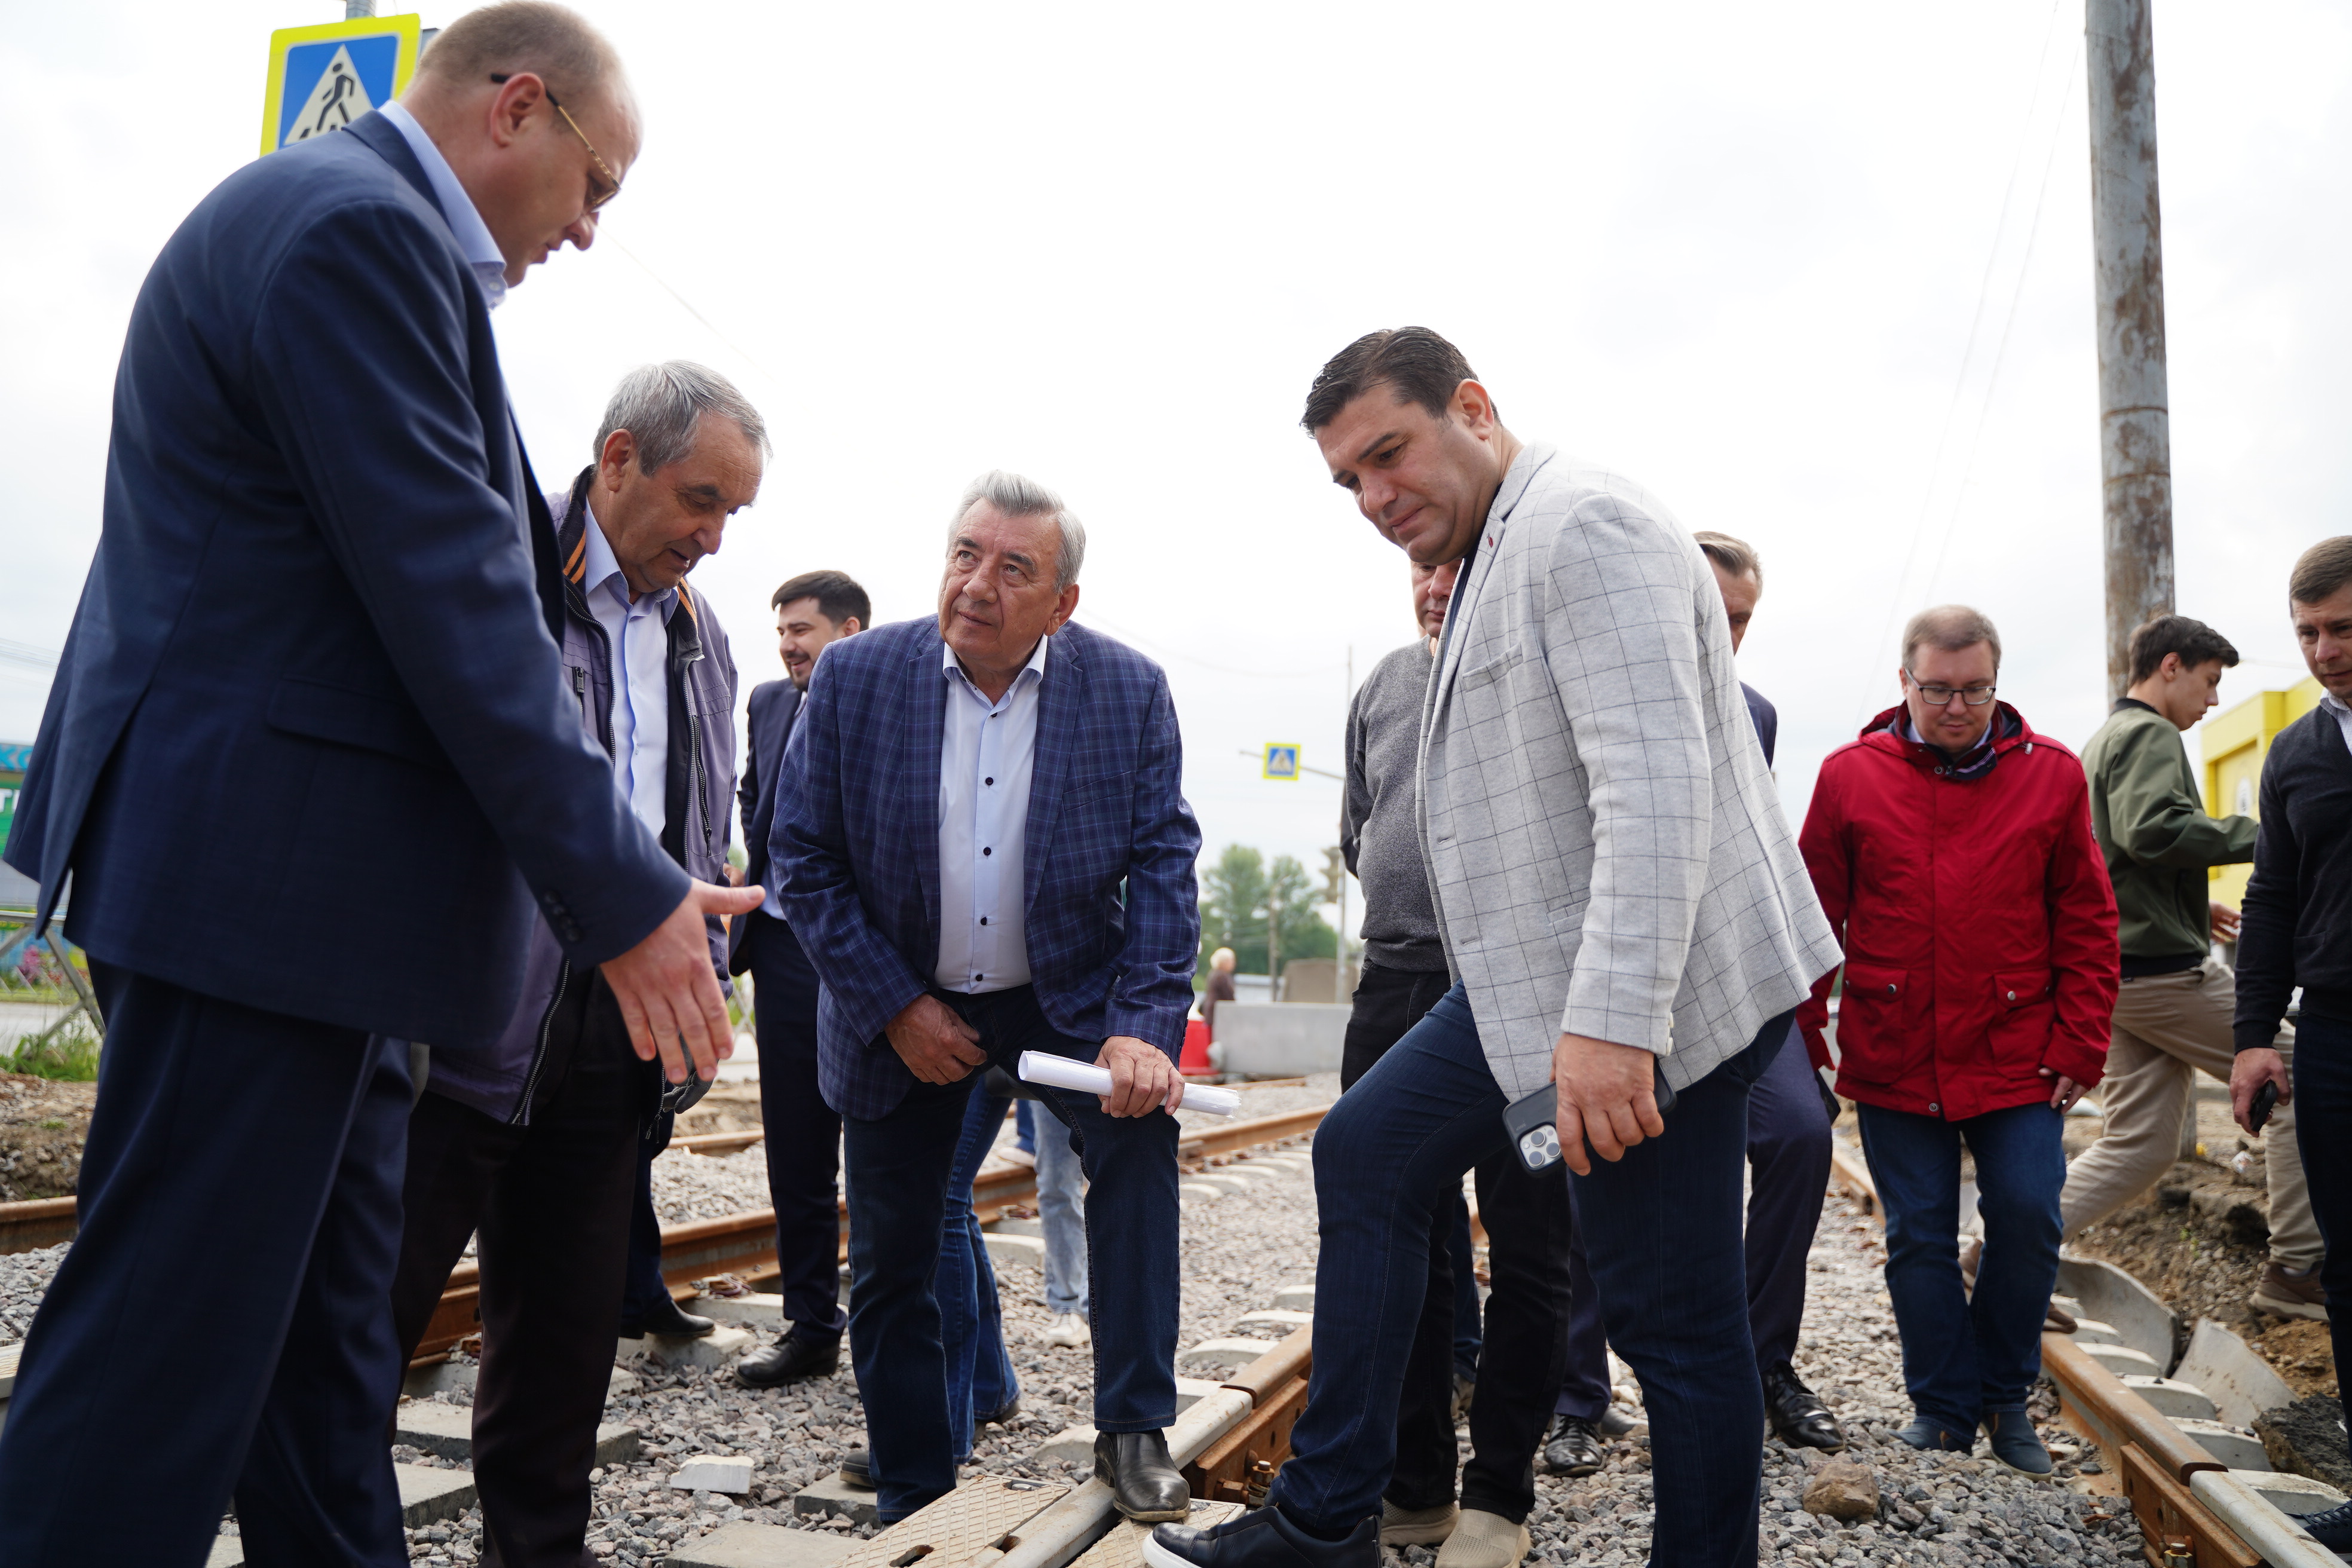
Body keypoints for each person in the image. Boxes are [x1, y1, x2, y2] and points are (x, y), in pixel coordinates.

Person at [0, 9, 762, 1563]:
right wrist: (623, 892)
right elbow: (457, 603)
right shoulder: (358, 233)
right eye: (596, 183)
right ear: (518, 106)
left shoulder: (352, 232)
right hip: (259, 900)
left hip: (316, 919)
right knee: (158, 1362)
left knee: (319, 1379)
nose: (590, 228)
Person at [1147, 327, 1841, 1568]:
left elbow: (1656, 791)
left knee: (1669, 1322)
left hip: (1648, 995)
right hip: (1533, 981)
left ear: (1472, 406)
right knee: (1366, 1151)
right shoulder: (1494, 545)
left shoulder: (1584, 525)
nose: (1374, 496)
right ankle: (1327, 1524)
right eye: (1349, 479)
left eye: (1389, 453)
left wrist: (1613, 1027)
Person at [389, 362, 763, 1567]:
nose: (713, 537)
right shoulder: (500, 564)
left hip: (616, 1029)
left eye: (732, 514)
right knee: (372, 1309)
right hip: (472, 1003)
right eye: (700, 500)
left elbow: (697, 823)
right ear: (617, 459)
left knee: (565, 1329)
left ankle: (540, 1550)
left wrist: (696, 990)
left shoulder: (702, 636)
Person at [775, 470, 1202, 1524]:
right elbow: (802, 857)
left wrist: (1142, 1030)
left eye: (1014, 568)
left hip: (1063, 992)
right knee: (894, 1248)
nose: (977, 584)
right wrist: (894, 1007)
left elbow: (1163, 862)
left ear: (1062, 602)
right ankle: (916, 1484)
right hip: (905, 993)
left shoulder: (1128, 690)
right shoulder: (858, 678)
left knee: (1140, 1143)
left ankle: (1133, 1428)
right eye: (966, 554)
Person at [1545, 531, 1846, 1474]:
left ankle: (1762, 1363)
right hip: (1616, 975)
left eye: (1743, 619)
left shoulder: (1756, 714)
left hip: (1732, 976)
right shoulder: (1593, 687)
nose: (1727, 631)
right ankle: (1577, 1393)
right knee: (1593, 1147)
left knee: (1801, 1136)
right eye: (1713, 610)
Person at [1796, 606, 2117, 1474]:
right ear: (1905, 682)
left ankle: (2005, 1397)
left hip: (2018, 1051)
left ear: (1996, 682)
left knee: (2028, 1213)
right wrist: (1806, 1043)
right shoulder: (1849, 776)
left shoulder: (2052, 774)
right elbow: (1815, 919)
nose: (1957, 708)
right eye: (1938, 690)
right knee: (1919, 1235)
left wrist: (2081, 1043)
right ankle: (1942, 1408)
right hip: (1895, 1049)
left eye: (1976, 690)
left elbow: (2087, 917)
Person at [1338, 553, 1564, 1568]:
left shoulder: (1537, 664)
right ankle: (1417, 1483)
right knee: (1405, 1242)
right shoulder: (1384, 682)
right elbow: (1360, 829)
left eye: (1456, 567)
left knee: (1531, 1243)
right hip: (1395, 984)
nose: (1436, 585)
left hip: (1522, 993)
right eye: (1422, 571)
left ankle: (1500, 1496)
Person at [2062, 614, 2320, 1319]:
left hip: (2121, 970)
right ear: (2170, 666)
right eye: (2208, 682)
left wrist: (2185, 904)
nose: (2212, 700)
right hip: (2160, 974)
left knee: (2139, 1145)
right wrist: (2271, 836)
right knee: (2295, 1074)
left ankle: (1997, 1253)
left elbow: (2111, 852)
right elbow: (2151, 830)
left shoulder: (2104, 738)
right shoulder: (2150, 733)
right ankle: (2297, 1267)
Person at [2234, 538, 2352, 1549]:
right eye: (2308, 633)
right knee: (2345, 1264)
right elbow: (2270, 899)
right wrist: (2252, 1037)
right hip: (2337, 1032)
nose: (2324, 652)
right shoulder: (2297, 753)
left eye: (2342, 629)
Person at [733, 569, 872, 1388]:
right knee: (796, 1148)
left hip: (863, 951)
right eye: (781, 631)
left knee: (883, 1151)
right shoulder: (767, 702)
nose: (787, 645)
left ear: (849, 632)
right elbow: (755, 795)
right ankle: (812, 1324)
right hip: (784, 948)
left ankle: (899, 1337)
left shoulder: (893, 698)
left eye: (801, 630)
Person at [1203, 946, 1238, 1038]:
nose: (1234, 963)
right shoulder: (1222, 976)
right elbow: (1229, 997)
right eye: (1231, 960)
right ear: (1224, 962)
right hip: (1218, 1016)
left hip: (1211, 1015)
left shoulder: (1213, 974)